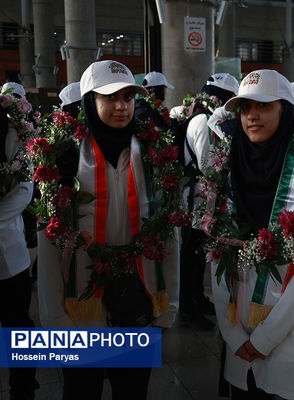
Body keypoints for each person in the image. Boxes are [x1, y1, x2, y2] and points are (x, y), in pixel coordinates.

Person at [36, 60, 180, 400]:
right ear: (89, 101)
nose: (122, 106)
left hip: (138, 300)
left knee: (133, 390)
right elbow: (48, 241)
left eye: (129, 97)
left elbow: (167, 234)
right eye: (110, 97)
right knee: (81, 391)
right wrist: (55, 319)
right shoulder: (65, 158)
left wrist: (168, 306)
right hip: (81, 308)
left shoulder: (152, 154)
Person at [208, 69, 294, 399]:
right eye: (245, 107)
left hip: (293, 336)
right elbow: (217, 253)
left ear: (286, 111)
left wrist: (265, 339)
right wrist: (232, 333)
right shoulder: (226, 168)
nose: (251, 115)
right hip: (239, 334)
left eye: (263, 106)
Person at [179, 72, 239, 328]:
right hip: (197, 200)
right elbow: (207, 165)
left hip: (205, 198)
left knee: (198, 254)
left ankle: (197, 299)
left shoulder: (202, 116)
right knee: (192, 255)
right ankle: (188, 307)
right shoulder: (204, 121)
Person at [0, 90, 38, 400]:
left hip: (9, 252)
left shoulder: (11, 128)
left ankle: (23, 388)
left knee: (18, 328)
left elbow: (24, 188)